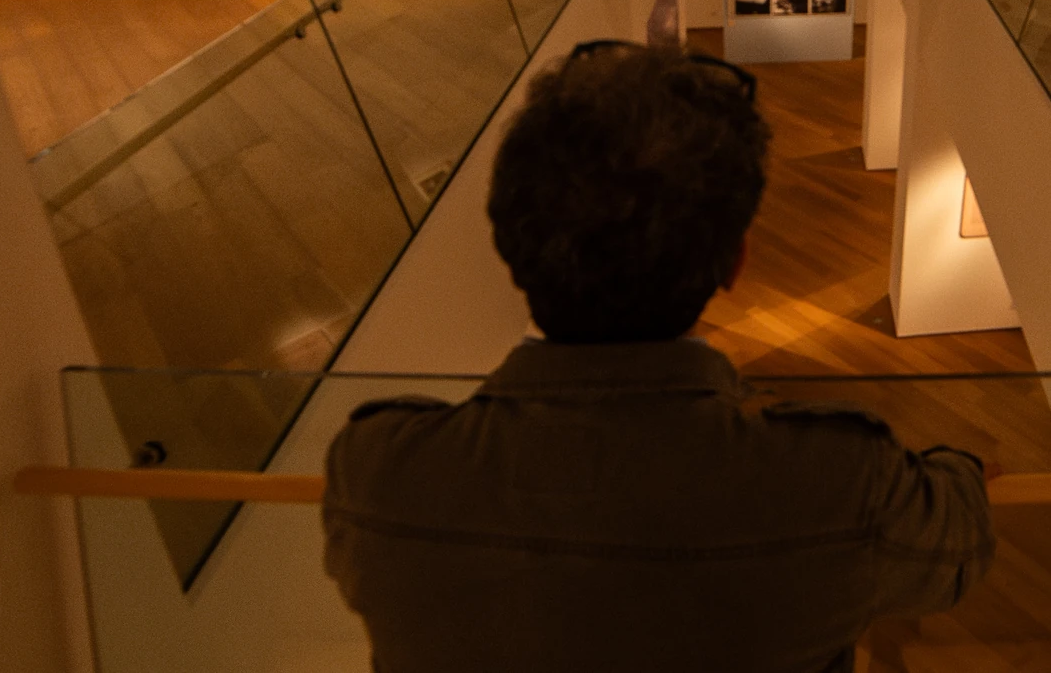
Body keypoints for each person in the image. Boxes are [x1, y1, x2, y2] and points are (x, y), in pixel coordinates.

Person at [322, 39, 995, 671]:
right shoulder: (842, 484)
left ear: (508, 245)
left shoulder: (380, 472)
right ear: (736, 262)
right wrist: (959, 466)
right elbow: (956, 548)